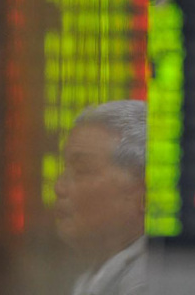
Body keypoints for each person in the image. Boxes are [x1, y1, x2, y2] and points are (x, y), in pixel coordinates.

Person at [54, 100, 147, 295]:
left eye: (82, 170)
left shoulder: (152, 282)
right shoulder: (96, 276)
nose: (59, 187)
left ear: (143, 192)